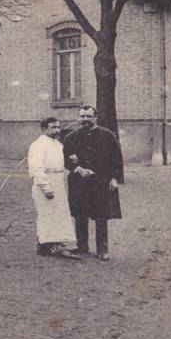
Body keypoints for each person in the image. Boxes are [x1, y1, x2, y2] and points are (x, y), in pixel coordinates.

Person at [63, 105, 124, 261]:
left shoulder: (108, 136)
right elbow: (65, 160)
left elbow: (116, 159)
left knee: (101, 215)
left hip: (101, 181)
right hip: (79, 182)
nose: (85, 120)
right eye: (82, 116)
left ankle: (102, 249)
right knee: (80, 214)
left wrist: (114, 178)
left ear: (95, 117)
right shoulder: (71, 137)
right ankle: (82, 246)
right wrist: (78, 169)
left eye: (88, 116)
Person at [27, 117, 79, 258]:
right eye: (53, 127)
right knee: (47, 213)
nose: (57, 130)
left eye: (58, 127)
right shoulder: (37, 145)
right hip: (46, 181)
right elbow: (36, 168)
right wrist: (46, 187)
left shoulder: (57, 144)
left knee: (58, 213)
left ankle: (56, 243)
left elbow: (61, 160)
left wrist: (71, 159)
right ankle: (44, 245)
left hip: (58, 180)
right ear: (44, 129)